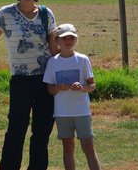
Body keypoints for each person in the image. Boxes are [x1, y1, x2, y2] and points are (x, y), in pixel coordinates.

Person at [0, 0, 59, 170]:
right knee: (16, 129)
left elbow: (55, 48)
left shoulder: (47, 14)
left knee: (42, 130)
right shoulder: (6, 14)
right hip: (20, 81)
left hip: (46, 81)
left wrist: (74, 65)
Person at [43, 23, 101, 170]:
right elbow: (50, 89)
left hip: (81, 111)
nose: (68, 41)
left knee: (88, 147)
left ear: (76, 40)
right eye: (64, 38)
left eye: (71, 38)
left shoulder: (83, 59)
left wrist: (82, 88)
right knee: (68, 148)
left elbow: (92, 85)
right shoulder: (53, 62)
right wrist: (60, 87)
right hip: (62, 112)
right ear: (57, 41)